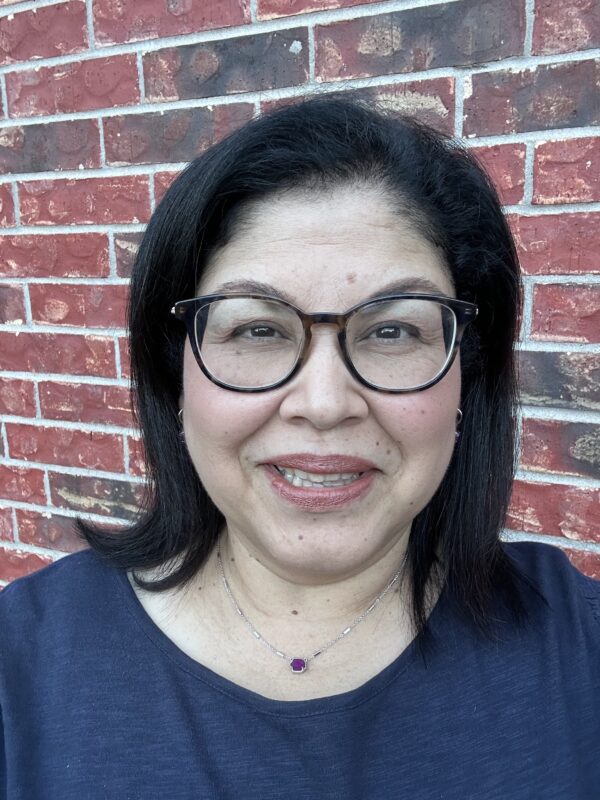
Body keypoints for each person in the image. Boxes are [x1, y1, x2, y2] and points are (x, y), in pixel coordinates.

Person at [1, 96, 598, 800]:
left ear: (467, 376)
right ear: (178, 376)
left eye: (393, 332)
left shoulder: (579, 650)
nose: (323, 404)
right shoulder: (23, 670)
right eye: (257, 330)